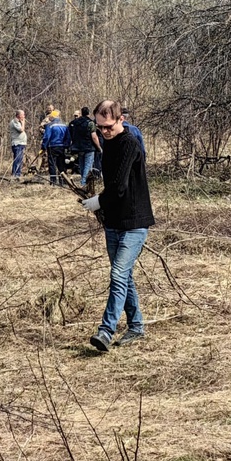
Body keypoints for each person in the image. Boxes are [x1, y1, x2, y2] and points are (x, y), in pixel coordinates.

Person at [80, 100, 155, 352]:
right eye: (99, 128)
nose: (104, 132)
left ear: (121, 119)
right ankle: (136, 326)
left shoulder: (129, 144)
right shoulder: (107, 144)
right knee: (124, 277)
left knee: (118, 274)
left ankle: (106, 331)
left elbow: (120, 186)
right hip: (114, 221)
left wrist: (98, 201)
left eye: (108, 127)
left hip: (134, 222)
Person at [68, 106, 100, 186]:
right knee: (88, 166)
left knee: (82, 166)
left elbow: (71, 135)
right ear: (89, 113)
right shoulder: (90, 123)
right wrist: (99, 147)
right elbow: (94, 137)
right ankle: (84, 183)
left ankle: (83, 181)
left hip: (78, 148)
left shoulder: (74, 123)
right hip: (89, 148)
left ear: (81, 113)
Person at [41, 112, 71, 186]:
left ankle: (53, 181)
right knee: (61, 164)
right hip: (62, 147)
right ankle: (63, 181)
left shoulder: (49, 125)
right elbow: (68, 137)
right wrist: (66, 145)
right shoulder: (65, 125)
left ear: (52, 117)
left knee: (52, 164)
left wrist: (44, 146)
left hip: (52, 146)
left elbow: (47, 137)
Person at [9, 109, 27, 179]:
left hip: (21, 143)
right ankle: (15, 175)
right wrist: (23, 123)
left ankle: (18, 174)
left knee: (20, 160)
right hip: (17, 144)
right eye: (23, 115)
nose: (24, 116)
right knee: (17, 159)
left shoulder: (19, 122)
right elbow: (21, 130)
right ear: (19, 115)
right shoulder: (14, 122)